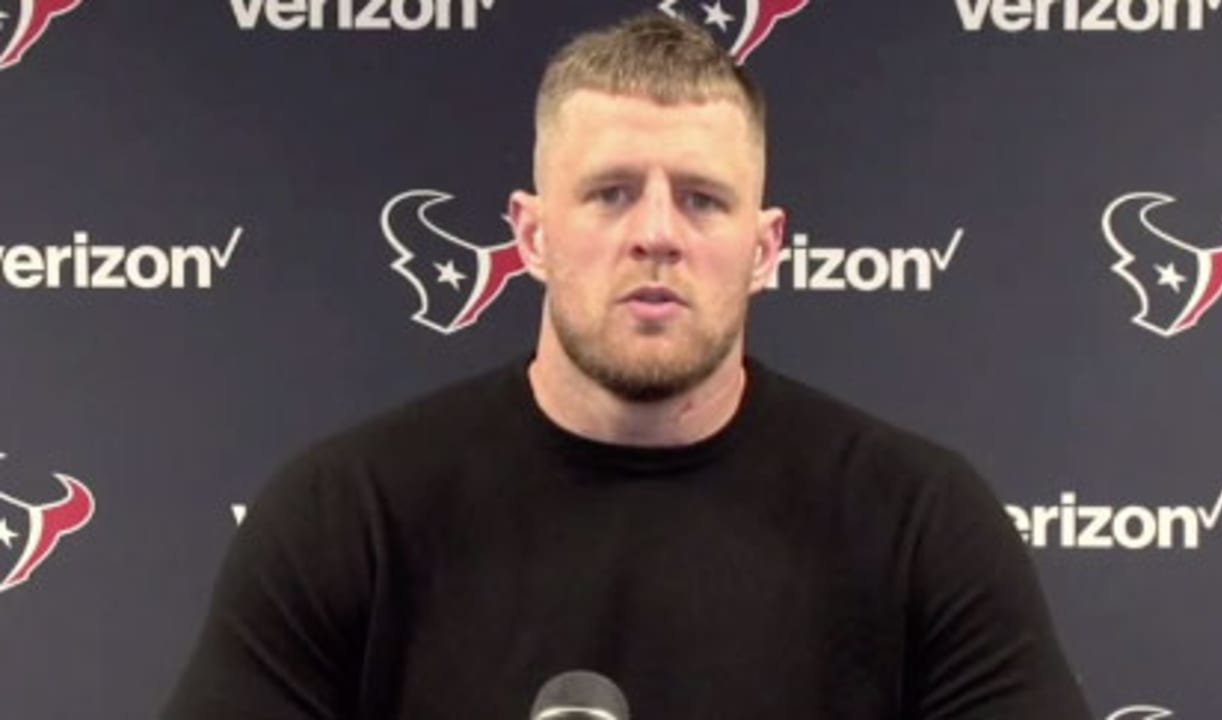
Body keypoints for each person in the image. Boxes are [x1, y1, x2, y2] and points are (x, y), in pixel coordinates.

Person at [163, 12, 1092, 719]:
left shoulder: (917, 519)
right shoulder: (350, 514)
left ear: (766, 248)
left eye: (702, 199)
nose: (656, 234)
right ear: (530, 233)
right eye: (611, 194)